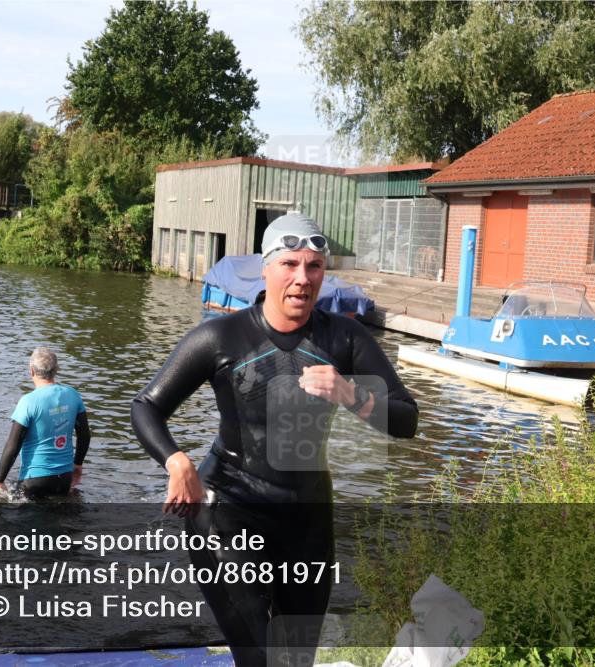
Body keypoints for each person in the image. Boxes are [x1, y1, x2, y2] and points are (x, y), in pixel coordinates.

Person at [132, 212, 419, 666]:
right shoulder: (220, 336)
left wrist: (351, 394)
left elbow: (407, 420)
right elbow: (146, 407)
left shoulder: (343, 338)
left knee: (297, 659)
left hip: (306, 522)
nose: (302, 279)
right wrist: (176, 462)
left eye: (314, 267)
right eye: (290, 264)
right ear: (265, 268)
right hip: (227, 514)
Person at [0, 347, 90, 499]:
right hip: (64, 478)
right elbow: (84, 435)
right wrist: (77, 465)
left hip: (35, 480)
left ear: (31, 370)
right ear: (56, 369)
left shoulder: (28, 401)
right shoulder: (73, 395)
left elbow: (13, 444)